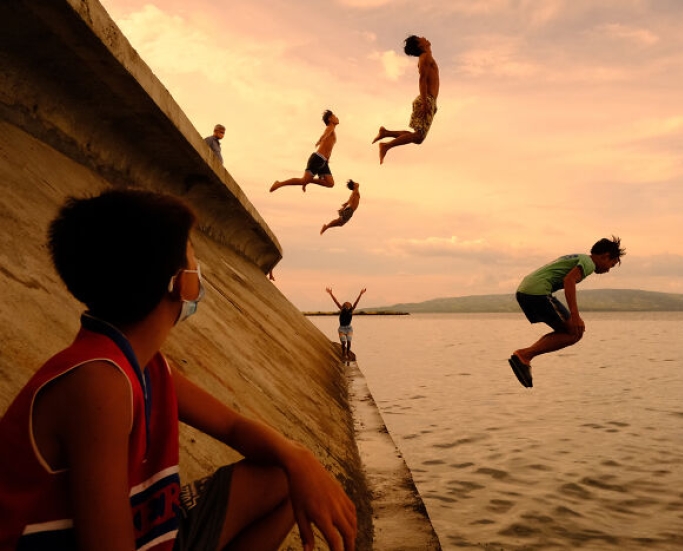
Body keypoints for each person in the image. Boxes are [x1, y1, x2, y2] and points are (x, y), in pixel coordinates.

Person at [0, 188, 357, 551]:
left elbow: (232, 426)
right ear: (178, 282)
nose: (199, 272)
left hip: (151, 534)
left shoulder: (144, 365)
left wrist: (301, 459)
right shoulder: (98, 384)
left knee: (285, 473)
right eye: (193, 259)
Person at [508, 237, 626, 388]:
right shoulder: (589, 263)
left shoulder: (579, 257)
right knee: (575, 331)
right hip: (537, 292)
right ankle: (524, 355)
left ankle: (524, 357)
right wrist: (575, 315)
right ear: (605, 256)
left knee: (569, 331)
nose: (608, 269)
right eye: (611, 264)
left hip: (525, 291)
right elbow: (569, 281)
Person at [372, 35, 439, 164]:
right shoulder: (425, 57)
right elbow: (422, 81)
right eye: (421, 38)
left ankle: (386, 133)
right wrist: (425, 103)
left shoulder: (427, 56)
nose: (424, 37)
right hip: (426, 99)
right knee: (418, 136)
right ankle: (386, 146)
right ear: (420, 45)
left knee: (418, 138)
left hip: (429, 100)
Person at [271, 110, 339, 192]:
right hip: (317, 159)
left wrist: (327, 159)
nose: (337, 117)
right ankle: (279, 184)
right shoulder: (330, 127)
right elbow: (325, 134)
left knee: (330, 183)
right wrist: (320, 140)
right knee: (303, 180)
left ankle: (308, 180)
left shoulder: (333, 130)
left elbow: (329, 147)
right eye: (335, 116)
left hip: (323, 161)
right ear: (330, 119)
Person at [325, 287, 366, 363]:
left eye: (349, 306)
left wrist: (360, 294)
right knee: (343, 342)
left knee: (349, 342)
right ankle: (343, 354)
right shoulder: (342, 309)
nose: (347, 307)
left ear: (350, 307)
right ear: (344, 306)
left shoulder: (351, 310)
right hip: (342, 328)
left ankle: (347, 354)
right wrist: (331, 294)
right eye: (346, 306)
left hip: (349, 328)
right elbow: (336, 301)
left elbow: (356, 302)